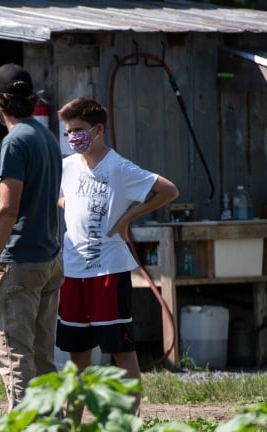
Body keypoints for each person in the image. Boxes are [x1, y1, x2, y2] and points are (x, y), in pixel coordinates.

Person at [56, 97, 179, 412]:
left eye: (79, 130)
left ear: (98, 130)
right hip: (73, 271)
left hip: (108, 271)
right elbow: (62, 198)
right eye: (69, 131)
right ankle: (72, 424)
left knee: (120, 350)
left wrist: (126, 218)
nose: (73, 137)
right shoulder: (66, 166)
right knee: (77, 353)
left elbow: (168, 190)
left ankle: (128, 424)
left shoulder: (119, 167)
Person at [0, 63, 64, 410]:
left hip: (18, 264)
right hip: (49, 259)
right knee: (42, 357)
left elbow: (6, 210)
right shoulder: (46, 137)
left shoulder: (14, 143)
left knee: (14, 357)